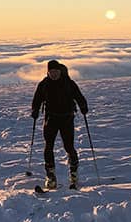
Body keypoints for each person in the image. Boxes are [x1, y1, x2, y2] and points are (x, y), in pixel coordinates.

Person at [30, 59, 88, 189]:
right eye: (51, 72)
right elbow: (37, 99)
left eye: (55, 71)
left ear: (60, 71)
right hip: (51, 118)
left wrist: (83, 106)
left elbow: (78, 96)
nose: (54, 74)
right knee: (48, 146)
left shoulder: (69, 83)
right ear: (48, 72)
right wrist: (35, 110)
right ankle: (50, 176)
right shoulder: (44, 84)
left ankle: (73, 173)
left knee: (69, 146)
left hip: (67, 118)